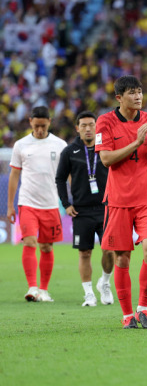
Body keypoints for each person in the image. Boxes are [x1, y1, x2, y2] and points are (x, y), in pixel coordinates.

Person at [95, 75, 147, 329]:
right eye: (132, 93)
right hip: (117, 200)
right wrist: (137, 142)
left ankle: (143, 309)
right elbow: (106, 159)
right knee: (122, 258)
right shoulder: (105, 122)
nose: (138, 97)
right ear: (119, 98)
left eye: (140, 92)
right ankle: (127, 315)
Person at [7, 106, 67, 302]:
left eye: (43, 125)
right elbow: (14, 175)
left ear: (49, 122)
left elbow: (68, 174)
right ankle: (32, 287)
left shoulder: (60, 145)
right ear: (30, 121)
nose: (40, 129)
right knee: (30, 242)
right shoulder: (21, 145)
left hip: (50, 203)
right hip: (28, 203)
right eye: (36, 125)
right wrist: (10, 205)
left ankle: (44, 289)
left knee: (47, 247)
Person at [55, 111, 114, 307]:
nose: (88, 128)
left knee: (109, 250)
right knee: (84, 253)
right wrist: (66, 203)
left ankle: (104, 283)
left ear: (97, 127)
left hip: (105, 208)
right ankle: (88, 293)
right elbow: (60, 179)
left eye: (91, 125)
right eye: (84, 125)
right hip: (81, 210)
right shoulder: (70, 151)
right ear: (77, 128)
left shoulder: (105, 148)